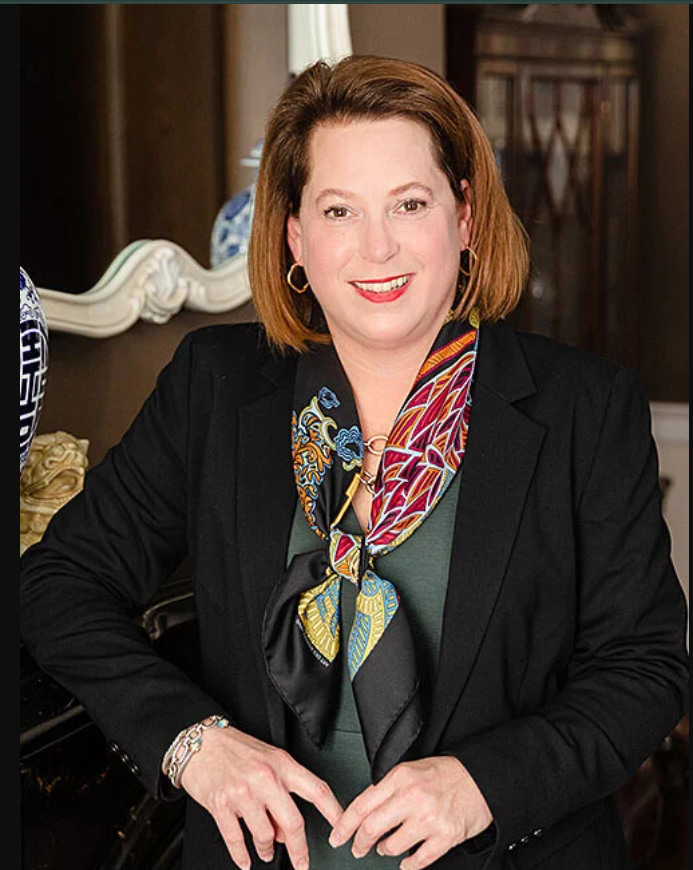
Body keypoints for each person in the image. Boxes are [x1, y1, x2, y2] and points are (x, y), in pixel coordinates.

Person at [20, 55, 688, 870]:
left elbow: (646, 668)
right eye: (339, 210)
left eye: (409, 204)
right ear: (296, 235)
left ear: (464, 218)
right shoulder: (212, 387)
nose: (377, 248)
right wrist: (194, 744)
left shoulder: (585, 408)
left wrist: (484, 783)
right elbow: (59, 585)